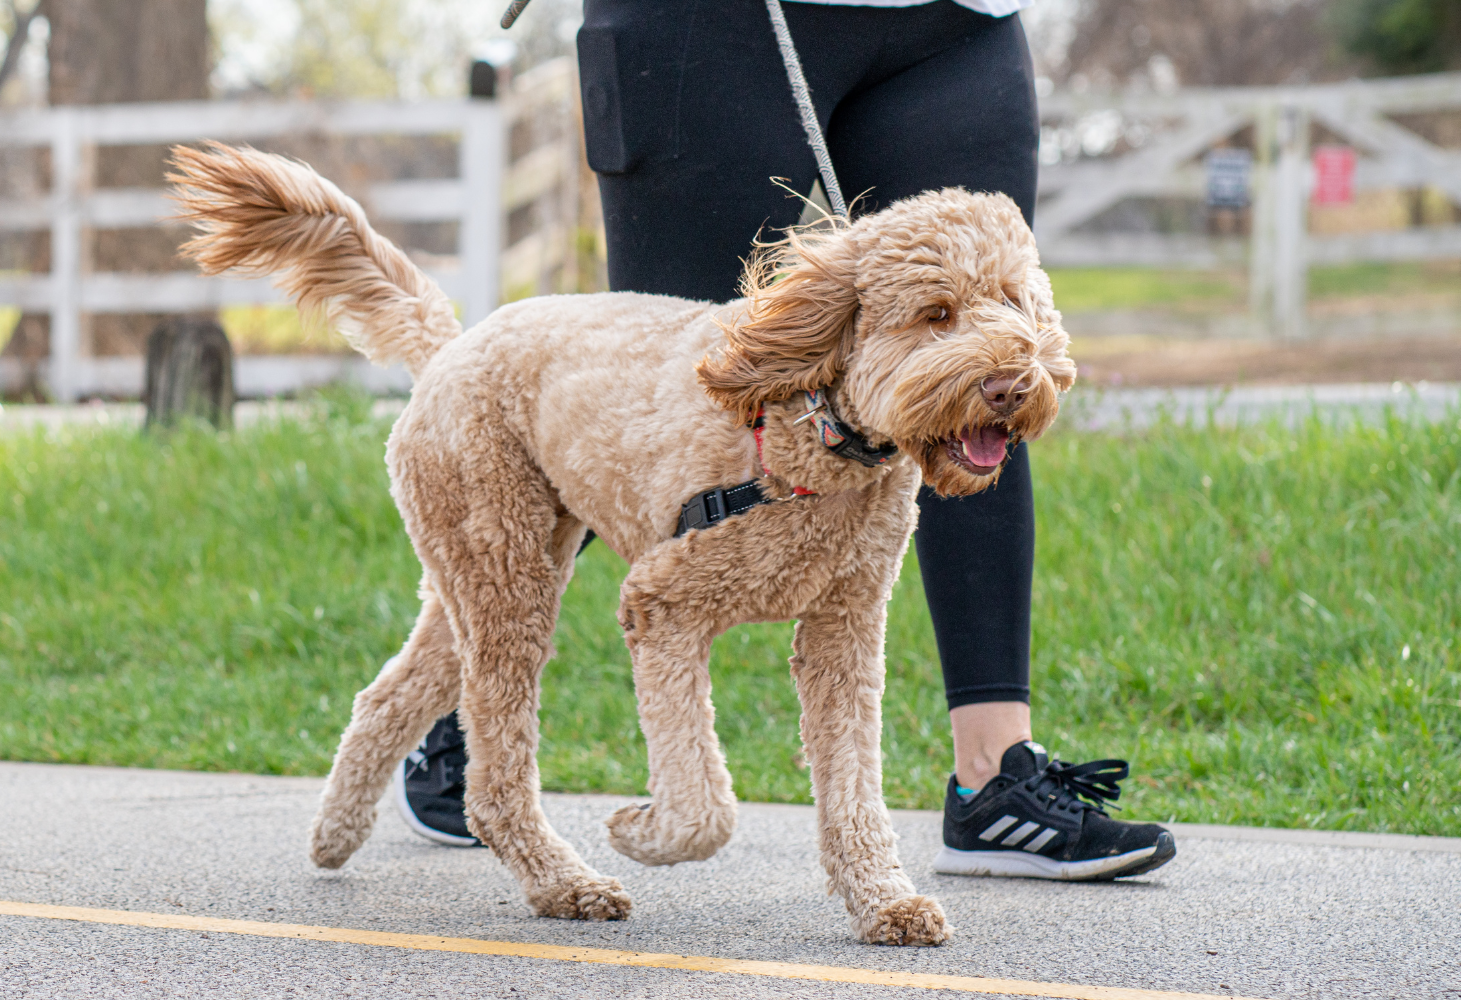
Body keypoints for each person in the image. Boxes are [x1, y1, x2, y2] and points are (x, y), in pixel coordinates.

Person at [397, 0, 1176, 881]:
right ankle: (468, 723)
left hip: (955, 21)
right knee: (660, 404)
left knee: (972, 373)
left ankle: (992, 780)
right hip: (714, 23)